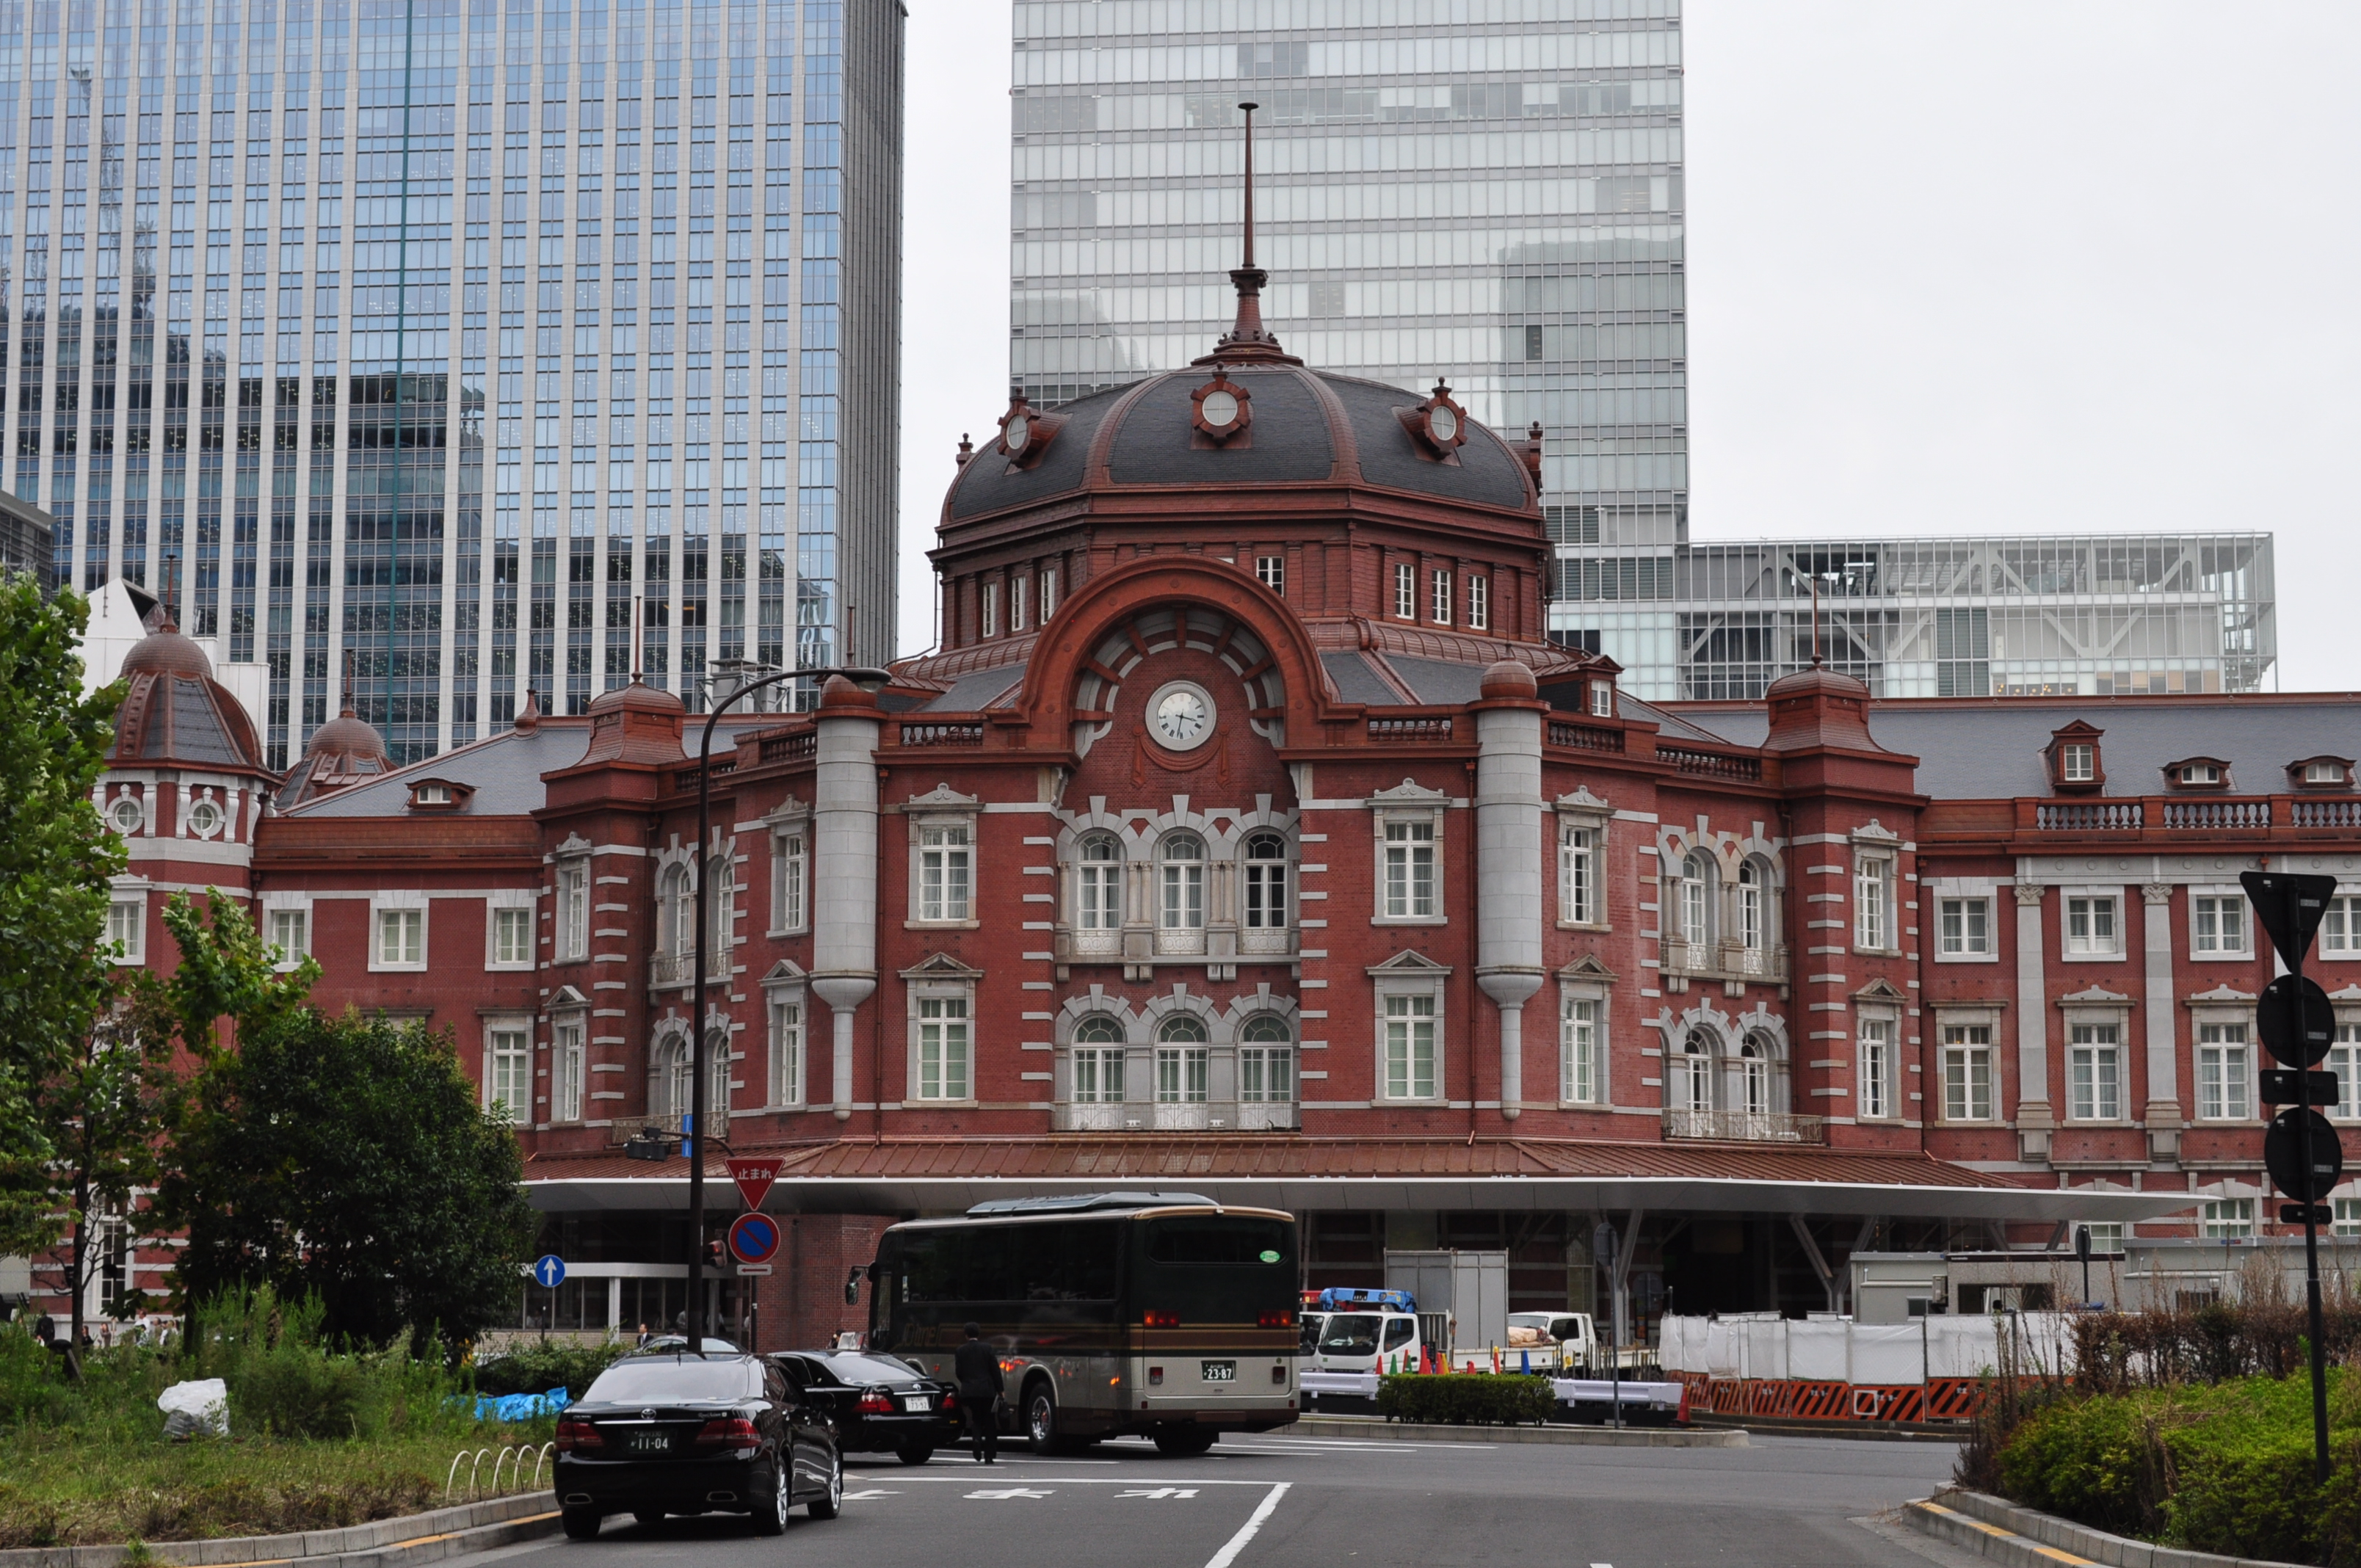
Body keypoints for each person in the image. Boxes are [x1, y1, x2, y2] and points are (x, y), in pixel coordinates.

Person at [953, 1321, 1003, 1464]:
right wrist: (1000, 1390)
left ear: (966, 1335)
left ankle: (976, 1439)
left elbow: (959, 1372)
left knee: (976, 1419)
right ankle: (989, 1455)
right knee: (990, 1421)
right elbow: (995, 1371)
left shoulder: (960, 1351)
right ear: (978, 1334)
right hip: (987, 1391)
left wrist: (967, 1383)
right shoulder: (987, 1349)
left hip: (969, 1391)